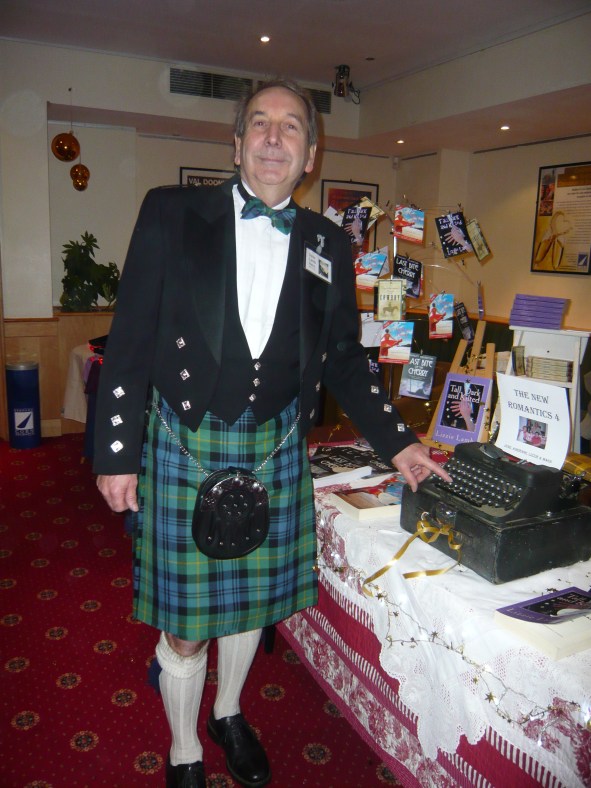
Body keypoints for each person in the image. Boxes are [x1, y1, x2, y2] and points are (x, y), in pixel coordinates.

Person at [93, 78, 450, 788]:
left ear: (310, 155)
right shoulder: (171, 212)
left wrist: (400, 443)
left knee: (250, 608)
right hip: (187, 439)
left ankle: (227, 713)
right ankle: (184, 750)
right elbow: (129, 336)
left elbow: (344, 359)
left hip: (275, 446)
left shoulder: (328, 242)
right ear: (236, 143)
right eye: (260, 123)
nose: (274, 138)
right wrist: (116, 453)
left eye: (291, 127)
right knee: (186, 624)